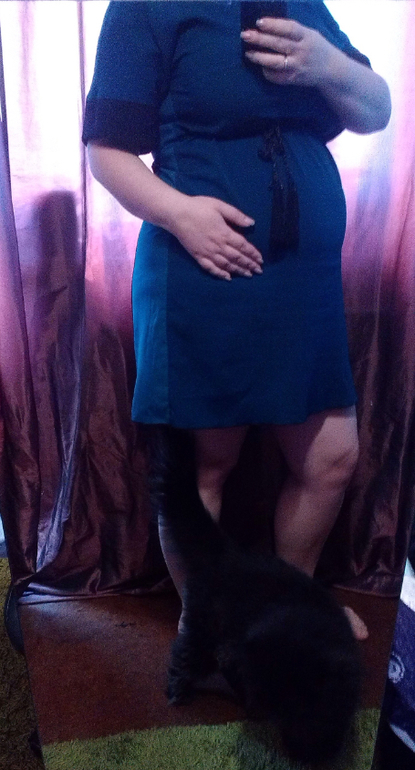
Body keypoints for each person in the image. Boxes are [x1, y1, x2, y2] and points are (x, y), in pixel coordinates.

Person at [82, 1, 391, 641]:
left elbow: (375, 108)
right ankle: (208, 624)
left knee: (331, 458)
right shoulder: (144, 6)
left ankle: (291, 603)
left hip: (303, 279)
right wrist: (182, 216)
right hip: (202, 268)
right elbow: (107, 152)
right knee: (207, 466)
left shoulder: (301, 3)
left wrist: (328, 64)